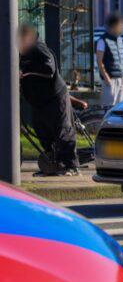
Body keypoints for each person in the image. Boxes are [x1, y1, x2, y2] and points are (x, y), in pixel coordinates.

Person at [19, 24, 80, 176]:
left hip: (54, 98)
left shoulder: (39, 48)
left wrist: (25, 72)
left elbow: (49, 68)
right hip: (39, 101)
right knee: (42, 130)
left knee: (62, 131)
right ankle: (53, 164)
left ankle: (71, 166)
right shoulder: (22, 53)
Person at [96, 13, 123, 108]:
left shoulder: (119, 39)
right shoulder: (102, 41)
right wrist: (107, 79)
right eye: (120, 24)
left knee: (122, 108)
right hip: (110, 80)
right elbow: (99, 61)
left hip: (122, 78)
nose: (122, 27)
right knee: (109, 108)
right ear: (113, 25)